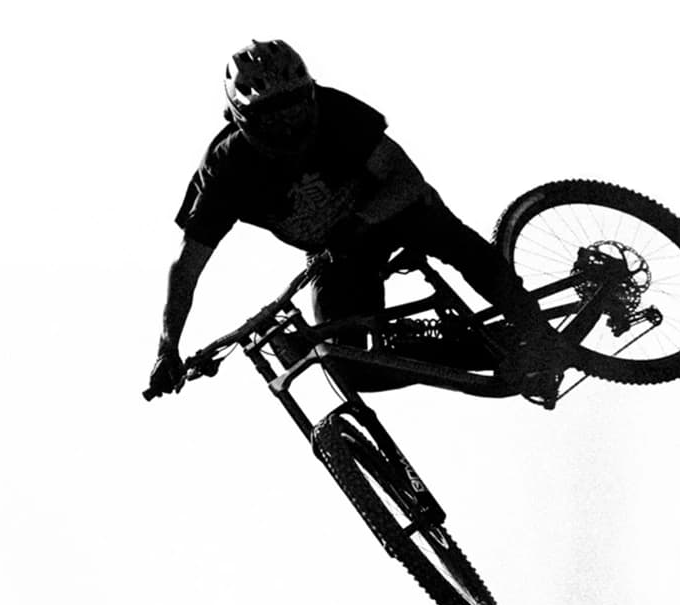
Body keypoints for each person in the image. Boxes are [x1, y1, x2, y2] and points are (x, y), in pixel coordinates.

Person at [143, 40, 558, 401]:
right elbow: (187, 268)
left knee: (448, 238)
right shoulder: (225, 171)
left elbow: (406, 179)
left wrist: (360, 220)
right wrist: (168, 348)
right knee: (349, 365)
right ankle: (483, 352)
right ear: (242, 120)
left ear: (309, 94)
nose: (289, 126)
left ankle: (539, 332)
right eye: (273, 116)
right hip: (336, 253)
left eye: (295, 109)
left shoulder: (336, 111)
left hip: (391, 211)